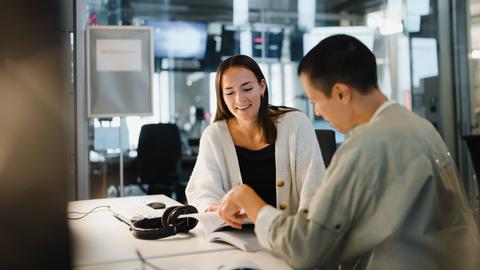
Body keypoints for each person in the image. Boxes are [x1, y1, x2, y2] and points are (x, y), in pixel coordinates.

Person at [218, 35, 480, 269]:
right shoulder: (417, 125)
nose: (318, 112)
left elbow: (306, 249)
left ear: (341, 93)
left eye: (316, 101)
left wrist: (248, 199)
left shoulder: (365, 146)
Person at [185, 55, 326, 214]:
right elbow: (202, 191)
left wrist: (301, 234)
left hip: (287, 233)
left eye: (247, 88)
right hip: (234, 234)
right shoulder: (214, 135)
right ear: (222, 98)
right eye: (230, 93)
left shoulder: (296, 123)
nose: (240, 99)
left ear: (262, 86)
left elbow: (314, 193)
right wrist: (214, 209)